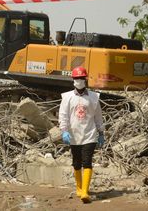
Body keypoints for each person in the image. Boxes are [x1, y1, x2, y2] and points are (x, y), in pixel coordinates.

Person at [58, 66, 105, 203]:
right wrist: (64, 130)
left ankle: (85, 191)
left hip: (89, 134)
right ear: (73, 80)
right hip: (73, 135)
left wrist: (101, 132)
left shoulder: (94, 97)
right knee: (77, 162)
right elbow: (63, 115)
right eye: (76, 78)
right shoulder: (67, 97)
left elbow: (98, 116)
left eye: (81, 78)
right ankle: (79, 188)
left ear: (85, 79)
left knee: (87, 161)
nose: (79, 81)